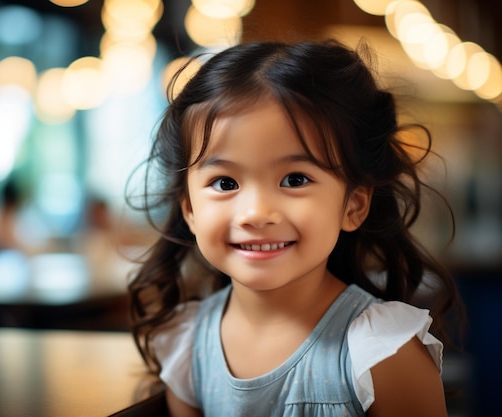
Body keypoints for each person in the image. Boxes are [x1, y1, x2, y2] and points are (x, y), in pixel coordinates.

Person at [126, 39, 464, 417]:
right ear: (189, 208)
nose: (255, 213)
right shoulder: (187, 343)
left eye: (295, 179)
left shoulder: (381, 351)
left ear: (353, 205)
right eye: (225, 183)